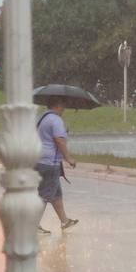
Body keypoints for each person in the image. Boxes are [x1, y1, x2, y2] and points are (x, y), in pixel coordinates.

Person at [36, 96, 79, 233]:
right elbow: (59, 141)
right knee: (45, 194)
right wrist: (69, 158)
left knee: (55, 194)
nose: (64, 108)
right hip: (50, 163)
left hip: (38, 159)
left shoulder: (41, 118)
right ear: (58, 105)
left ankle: (64, 221)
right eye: (63, 105)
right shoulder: (56, 120)